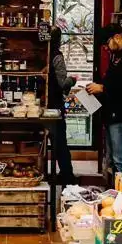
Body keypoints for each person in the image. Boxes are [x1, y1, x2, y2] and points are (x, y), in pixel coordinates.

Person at [87, 23, 122, 177]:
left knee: (121, 158)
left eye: (107, 43)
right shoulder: (117, 56)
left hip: (121, 113)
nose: (106, 48)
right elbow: (114, 80)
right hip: (111, 112)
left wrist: (103, 88)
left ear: (117, 37)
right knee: (113, 157)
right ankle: (116, 191)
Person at [47, 27, 77, 184]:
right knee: (60, 142)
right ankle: (67, 176)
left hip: (39, 105)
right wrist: (73, 80)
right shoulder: (57, 56)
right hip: (55, 106)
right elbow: (62, 83)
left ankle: (47, 174)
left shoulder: (41, 53)